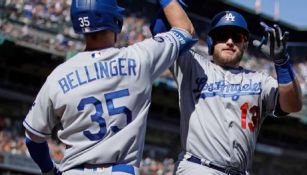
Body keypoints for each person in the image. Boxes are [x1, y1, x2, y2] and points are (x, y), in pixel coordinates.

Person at [23, 0, 196, 174]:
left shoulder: (57, 76)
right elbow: (185, 30)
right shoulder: (140, 58)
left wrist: (49, 170)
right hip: (120, 170)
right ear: (116, 20)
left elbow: (33, 138)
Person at [151, 10, 302, 175]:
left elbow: (292, 105)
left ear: (245, 44)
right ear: (211, 42)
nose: (230, 42)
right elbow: (162, 31)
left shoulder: (260, 80)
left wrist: (282, 62)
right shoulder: (192, 66)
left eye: (237, 37)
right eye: (222, 35)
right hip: (199, 167)